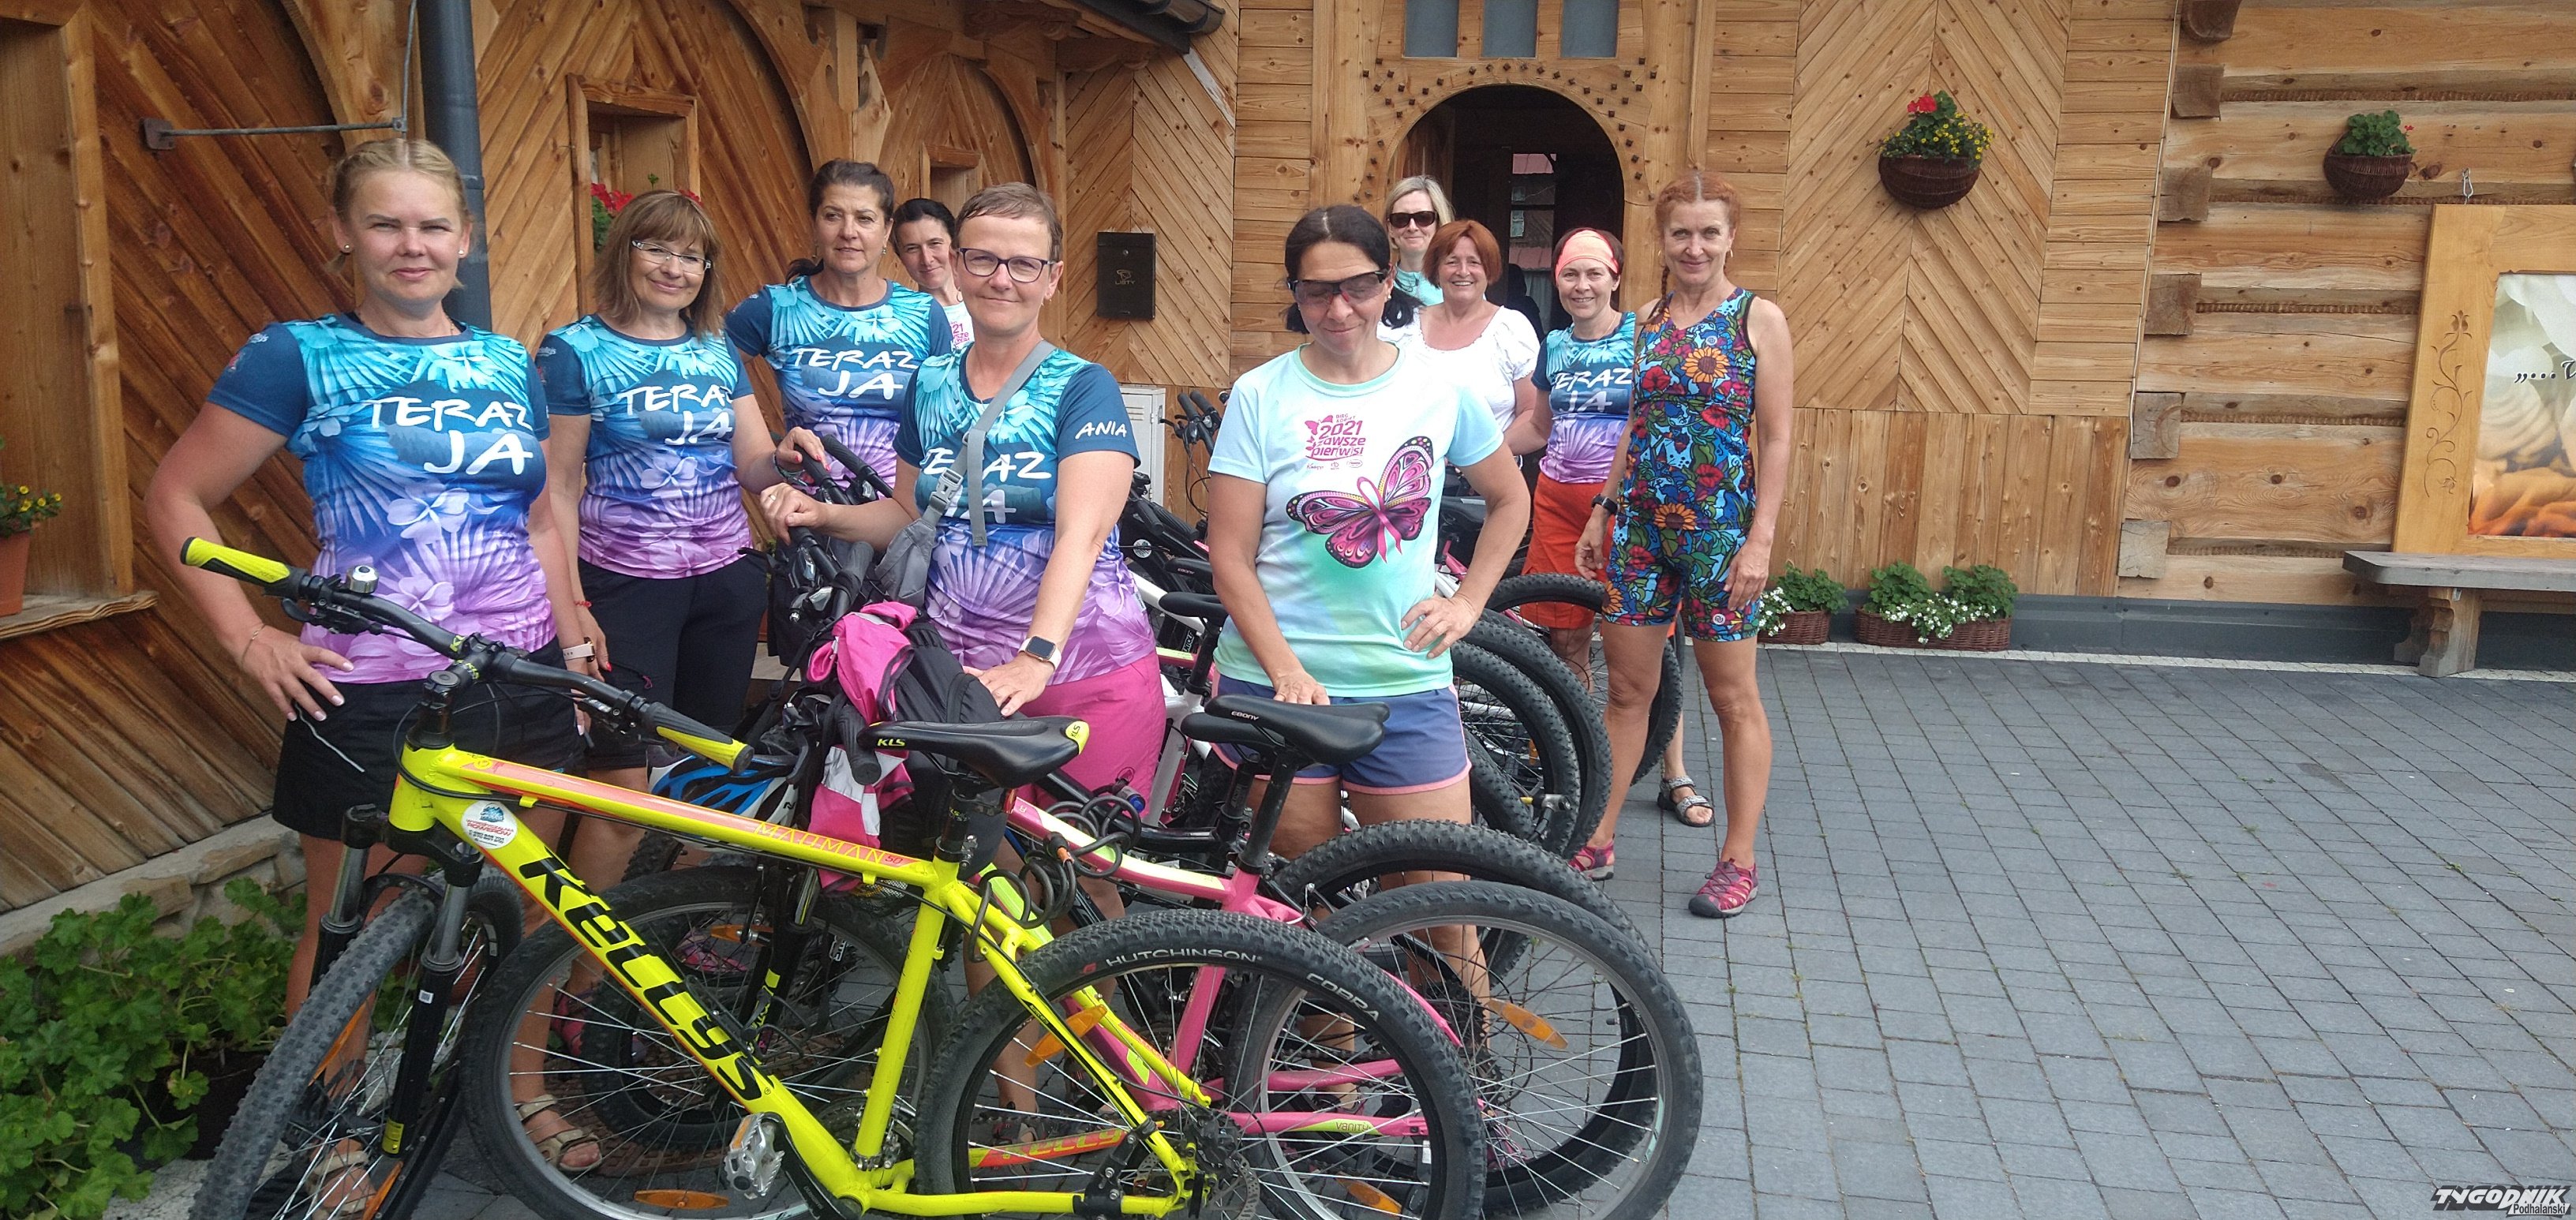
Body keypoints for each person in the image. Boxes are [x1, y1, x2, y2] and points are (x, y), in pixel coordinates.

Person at [141, 137, 598, 1181]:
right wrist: (247, 634)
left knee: (529, 903)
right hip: (374, 691)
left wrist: (572, 638)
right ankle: (332, 1135)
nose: (411, 245)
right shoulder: (296, 354)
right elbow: (175, 497)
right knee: (353, 926)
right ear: (343, 233)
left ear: (464, 239)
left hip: (515, 679)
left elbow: (539, 517)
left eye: (432, 225)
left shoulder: (504, 361)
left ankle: (520, 1095)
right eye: (385, 223)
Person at [759, 183, 1161, 802]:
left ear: (1052, 278)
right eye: (983, 258)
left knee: (1079, 856)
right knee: (973, 852)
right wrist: (824, 514)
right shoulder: (930, 382)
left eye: (1024, 264)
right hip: (957, 676)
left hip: (1082, 671)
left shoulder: (1084, 387)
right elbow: (908, 512)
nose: (1001, 279)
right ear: (956, 263)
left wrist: (1037, 657)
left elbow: (1081, 538)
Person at [1204, 204, 1530, 860]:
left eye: (1357, 286)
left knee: (1436, 898)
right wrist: (1286, 671)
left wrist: (1469, 603)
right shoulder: (1260, 395)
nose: (1339, 309)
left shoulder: (1438, 390)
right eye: (1316, 291)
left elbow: (1510, 499)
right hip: (1277, 687)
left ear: (1388, 283)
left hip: (1404, 679)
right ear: (1295, 294)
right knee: (1301, 899)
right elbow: (1231, 556)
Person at [1575, 170, 1794, 919]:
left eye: (1708, 233)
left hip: (1721, 536)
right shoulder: (1646, 320)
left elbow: (1778, 437)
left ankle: (1738, 860)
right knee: (1627, 692)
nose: (1694, 247)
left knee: (1733, 698)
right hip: (1640, 531)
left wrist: (1760, 541)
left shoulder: (1758, 319)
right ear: (1662, 240)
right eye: (1680, 233)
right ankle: (1598, 838)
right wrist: (1603, 509)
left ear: (1731, 238)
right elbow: (1635, 424)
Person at [538, 189, 781, 809]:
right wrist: (573, 603)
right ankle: (615, 871)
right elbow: (557, 488)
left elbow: (753, 463)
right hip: (626, 586)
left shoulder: (715, 347)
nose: (675, 268)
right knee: (622, 778)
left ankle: (677, 873)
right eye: (658, 250)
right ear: (625, 251)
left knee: (707, 760)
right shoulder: (574, 350)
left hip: (725, 583)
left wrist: (788, 458)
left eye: (692, 257)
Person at [1527, 228, 1708, 879]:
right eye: (1569, 274)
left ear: (1615, 278)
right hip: (1557, 501)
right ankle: (1580, 762)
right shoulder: (1553, 346)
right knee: (1567, 641)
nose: (1581, 286)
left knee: (1652, 648)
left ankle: (1674, 771)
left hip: (1628, 506)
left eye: (1593, 274)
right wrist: (1465, 449)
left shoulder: (1644, 335)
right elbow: (1538, 427)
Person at [726, 160, 953, 488]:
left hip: (904, 510)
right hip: (812, 511)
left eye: (864, 218)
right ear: (815, 224)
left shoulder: (923, 314)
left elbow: (946, 427)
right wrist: (759, 450)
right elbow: (699, 369)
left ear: (887, 230)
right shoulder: (775, 307)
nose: (849, 232)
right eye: (833, 216)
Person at [1409, 219, 1544, 456]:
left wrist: (1481, 460)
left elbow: (1533, 413)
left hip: (1488, 475)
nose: (1463, 272)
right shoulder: (1405, 327)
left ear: (1489, 269)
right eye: (1452, 261)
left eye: (1474, 262)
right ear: (1436, 269)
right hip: (1412, 472)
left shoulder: (1512, 328)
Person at [892, 196, 973, 348]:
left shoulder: (983, 302)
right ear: (900, 256)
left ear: (955, 244)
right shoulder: (903, 322)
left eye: (934, 243)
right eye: (912, 249)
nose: (926, 259)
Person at [1380, 175, 1454, 337]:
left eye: (1423, 218)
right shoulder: (1376, 286)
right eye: (1401, 219)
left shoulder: (1460, 283)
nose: (1412, 227)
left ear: (1439, 223)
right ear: (1390, 228)